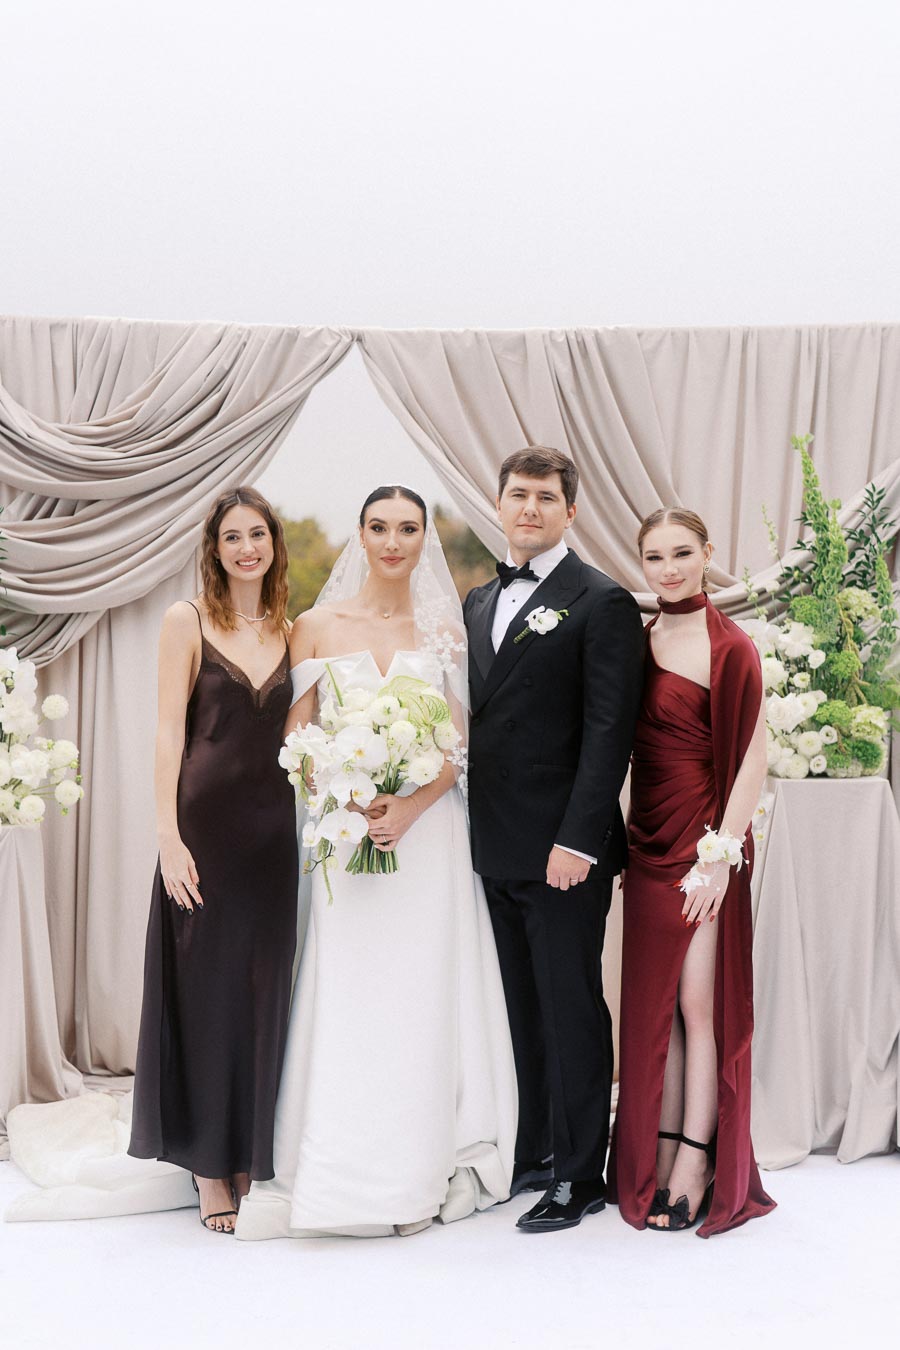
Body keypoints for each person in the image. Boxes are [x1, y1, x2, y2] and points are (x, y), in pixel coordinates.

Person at [235, 485, 516, 1241]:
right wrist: (343, 794)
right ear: (360, 535)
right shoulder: (316, 626)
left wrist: (411, 806)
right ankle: (339, 1156)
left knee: (420, 987)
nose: (393, 542)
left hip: (427, 842)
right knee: (351, 984)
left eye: (408, 529)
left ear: (425, 539)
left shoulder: (444, 629)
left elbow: (458, 747)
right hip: (344, 833)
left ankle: (420, 1156)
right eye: (380, 527)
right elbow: (297, 736)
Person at [464, 446, 645, 1233]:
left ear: (570, 511)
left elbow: (609, 734)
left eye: (545, 497)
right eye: (518, 494)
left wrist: (578, 841)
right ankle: (534, 1148)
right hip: (490, 844)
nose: (529, 508)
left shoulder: (600, 601)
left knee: (569, 1005)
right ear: (499, 504)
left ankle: (580, 1174)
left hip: (563, 851)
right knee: (517, 1006)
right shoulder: (477, 600)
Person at [129, 487, 299, 1234]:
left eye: (257, 534)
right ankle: (206, 1164)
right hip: (204, 833)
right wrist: (168, 837)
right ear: (215, 548)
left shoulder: (293, 630)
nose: (246, 548)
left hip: (275, 838)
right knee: (206, 991)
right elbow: (169, 733)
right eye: (232, 537)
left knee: (263, 993)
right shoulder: (187, 620)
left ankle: (248, 1150)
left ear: (274, 544)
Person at [607, 507, 776, 1235]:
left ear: (707, 553)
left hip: (703, 846)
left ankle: (698, 1158)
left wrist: (719, 860)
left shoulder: (728, 645)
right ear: (641, 563)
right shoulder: (640, 639)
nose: (669, 569)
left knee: (699, 1006)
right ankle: (662, 1143)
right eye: (655, 557)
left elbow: (752, 763)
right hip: (646, 844)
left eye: (682, 553)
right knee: (657, 1010)